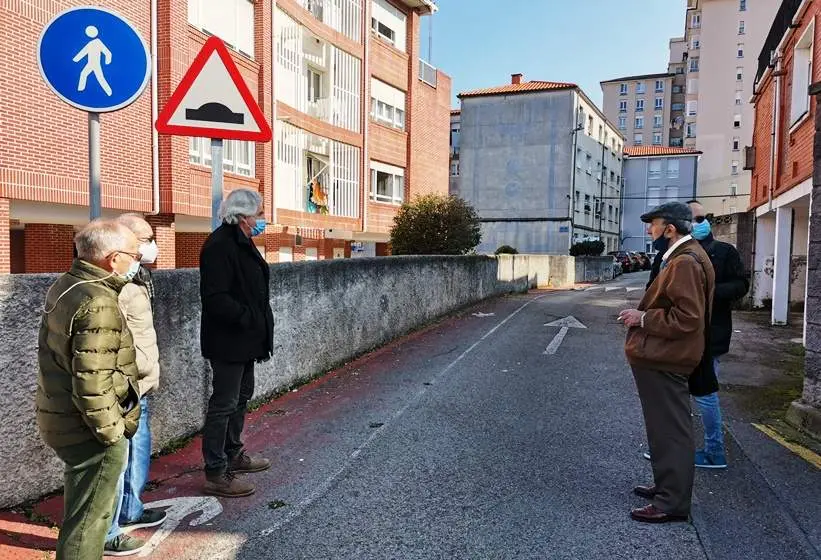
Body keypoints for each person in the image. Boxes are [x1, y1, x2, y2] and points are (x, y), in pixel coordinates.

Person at [36, 220, 143, 559]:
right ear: (113, 259)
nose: (139, 259)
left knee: (81, 514)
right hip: (89, 430)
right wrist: (113, 435)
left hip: (63, 418)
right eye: (135, 254)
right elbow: (92, 382)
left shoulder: (68, 285)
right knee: (89, 523)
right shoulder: (99, 302)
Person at [619, 201, 715, 523]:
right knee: (662, 429)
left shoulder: (685, 262)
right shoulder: (682, 256)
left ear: (670, 229)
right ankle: (666, 487)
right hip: (665, 357)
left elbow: (688, 319)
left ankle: (670, 502)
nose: (650, 230)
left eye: (654, 225)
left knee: (670, 430)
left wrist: (642, 318)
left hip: (667, 358)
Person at [645, 200, 749, 469]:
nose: (697, 222)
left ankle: (713, 450)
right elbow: (653, 290)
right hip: (675, 334)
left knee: (703, 392)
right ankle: (671, 448)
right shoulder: (669, 254)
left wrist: (707, 295)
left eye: (701, 217)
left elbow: (740, 285)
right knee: (676, 393)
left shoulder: (720, 252)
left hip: (709, 333)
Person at [200, 188, 274, 497]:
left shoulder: (241, 242)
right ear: (243, 217)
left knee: (241, 397)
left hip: (245, 340)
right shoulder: (220, 246)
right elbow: (216, 298)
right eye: (258, 214)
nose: (261, 220)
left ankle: (233, 453)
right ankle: (216, 471)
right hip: (229, 340)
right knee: (224, 403)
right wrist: (248, 318)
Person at [102, 214, 168, 556]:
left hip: (141, 382)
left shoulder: (139, 277)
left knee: (137, 450)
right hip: (124, 385)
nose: (150, 245)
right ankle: (109, 532)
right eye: (144, 239)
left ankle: (131, 510)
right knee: (117, 460)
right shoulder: (111, 281)